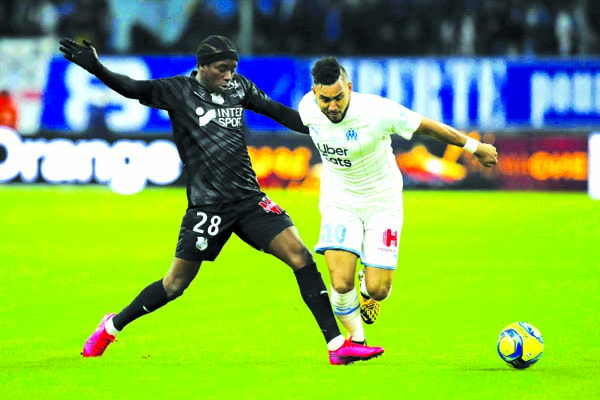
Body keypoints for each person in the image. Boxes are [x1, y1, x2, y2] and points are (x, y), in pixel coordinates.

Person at [58, 37, 384, 365]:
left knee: (301, 256)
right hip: (208, 206)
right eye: (222, 69)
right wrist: (97, 68)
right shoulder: (178, 91)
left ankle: (336, 345)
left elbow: (279, 112)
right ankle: (112, 326)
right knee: (174, 285)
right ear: (202, 67)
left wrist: (330, 122)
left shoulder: (239, 88)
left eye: (233, 68)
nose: (229, 75)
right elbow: (132, 88)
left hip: (249, 199)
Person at [297, 57, 498, 344]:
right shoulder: (307, 108)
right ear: (315, 93)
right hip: (339, 199)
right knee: (340, 281)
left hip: (382, 201)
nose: (332, 107)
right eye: (325, 100)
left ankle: (368, 291)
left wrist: (474, 147)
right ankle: (357, 342)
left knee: (379, 289)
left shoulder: (377, 111)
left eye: (339, 98)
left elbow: (427, 127)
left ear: (350, 88)